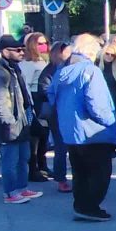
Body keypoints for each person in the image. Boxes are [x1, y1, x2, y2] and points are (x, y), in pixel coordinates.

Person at [49, 34, 116, 221]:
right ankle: (90, 207)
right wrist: (110, 122)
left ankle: (81, 205)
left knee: (80, 172)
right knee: (99, 173)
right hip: (94, 132)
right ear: (90, 51)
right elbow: (97, 104)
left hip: (71, 131)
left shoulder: (61, 71)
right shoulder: (90, 71)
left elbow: (51, 98)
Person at [0, 36, 42, 205]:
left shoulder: (14, 68)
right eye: (17, 50)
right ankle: (10, 192)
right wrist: (9, 121)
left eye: (23, 49)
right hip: (11, 122)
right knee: (10, 160)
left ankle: (22, 187)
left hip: (23, 119)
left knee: (23, 157)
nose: (21, 52)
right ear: (5, 51)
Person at [38, 42, 73, 193]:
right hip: (56, 113)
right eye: (65, 52)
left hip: (69, 111)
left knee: (72, 146)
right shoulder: (50, 70)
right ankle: (61, 178)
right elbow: (44, 91)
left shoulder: (69, 67)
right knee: (61, 147)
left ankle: (72, 176)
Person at [19, 32, 51, 182]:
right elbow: (25, 85)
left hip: (45, 101)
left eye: (45, 43)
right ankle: (34, 169)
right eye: (39, 43)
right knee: (35, 138)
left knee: (44, 136)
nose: (43, 46)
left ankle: (43, 165)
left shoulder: (45, 61)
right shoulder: (27, 64)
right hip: (34, 101)